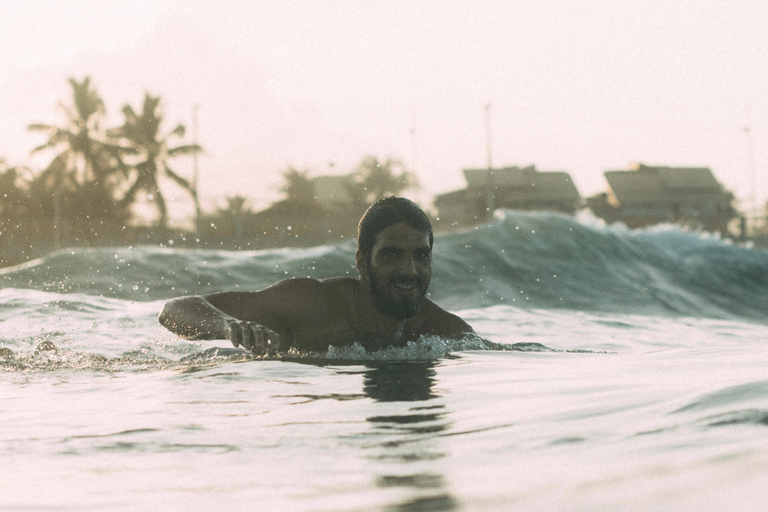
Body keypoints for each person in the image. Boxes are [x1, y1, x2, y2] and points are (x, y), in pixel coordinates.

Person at [159, 196, 473, 353]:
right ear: (362, 262)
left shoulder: (444, 331)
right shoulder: (313, 305)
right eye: (392, 255)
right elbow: (174, 311)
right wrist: (228, 327)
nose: (410, 271)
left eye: (421, 256)